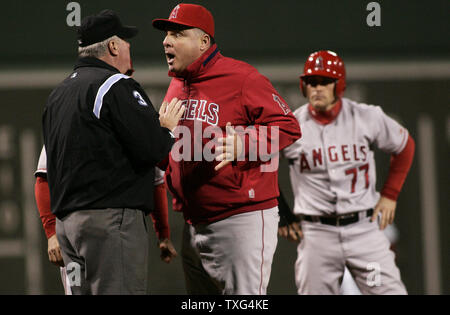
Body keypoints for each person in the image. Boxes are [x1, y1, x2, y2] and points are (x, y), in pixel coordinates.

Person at [152, 3, 301, 295]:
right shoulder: (177, 85)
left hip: (239, 217)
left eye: (177, 34)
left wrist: (245, 143)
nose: (166, 41)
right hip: (194, 222)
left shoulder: (241, 77)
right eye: (167, 34)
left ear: (203, 42)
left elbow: (289, 126)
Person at [42, 9, 184, 294]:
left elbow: (45, 172)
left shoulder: (58, 95)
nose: (129, 46)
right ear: (113, 46)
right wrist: (167, 129)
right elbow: (155, 150)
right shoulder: (115, 85)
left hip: (68, 227)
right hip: (108, 223)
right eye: (125, 40)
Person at [278, 50, 415, 295]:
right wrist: (283, 214)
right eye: (311, 82)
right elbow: (259, 165)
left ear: (339, 84)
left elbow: (405, 146)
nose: (317, 88)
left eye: (324, 82)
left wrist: (390, 194)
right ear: (303, 85)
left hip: (364, 230)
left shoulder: (366, 117)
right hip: (317, 233)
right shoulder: (292, 126)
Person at [34, 146, 176, 294]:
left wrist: (163, 233)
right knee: (75, 290)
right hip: (72, 235)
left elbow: (156, 182)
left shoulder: (136, 128)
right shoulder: (64, 123)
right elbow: (43, 179)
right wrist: (51, 233)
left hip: (111, 234)